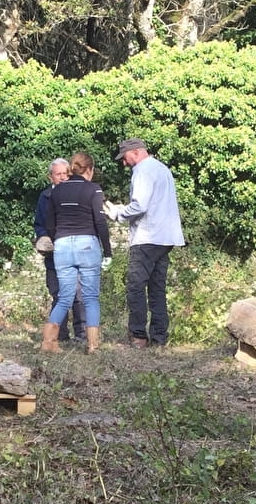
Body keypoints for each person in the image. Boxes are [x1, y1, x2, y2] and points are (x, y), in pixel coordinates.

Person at [104, 138, 184, 348]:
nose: (124, 163)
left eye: (125, 157)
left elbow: (139, 205)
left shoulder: (142, 170)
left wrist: (118, 213)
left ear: (136, 152)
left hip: (147, 236)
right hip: (166, 237)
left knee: (136, 285)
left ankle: (138, 336)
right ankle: (159, 337)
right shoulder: (162, 169)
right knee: (157, 288)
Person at [41, 151, 111, 353]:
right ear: (89, 170)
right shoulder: (93, 190)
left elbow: (49, 223)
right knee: (90, 298)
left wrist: (57, 240)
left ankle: (48, 342)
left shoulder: (56, 191)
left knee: (64, 297)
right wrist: (107, 252)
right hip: (87, 244)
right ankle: (92, 345)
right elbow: (100, 222)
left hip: (62, 245)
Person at [33, 157, 83, 342]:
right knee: (57, 293)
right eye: (58, 174)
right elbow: (38, 223)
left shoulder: (78, 194)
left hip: (74, 252)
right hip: (53, 255)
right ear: (50, 177)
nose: (62, 177)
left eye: (65, 173)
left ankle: (82, 334)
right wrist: (43, 237)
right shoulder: (44, 197)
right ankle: (60, 335)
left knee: (79, 295)